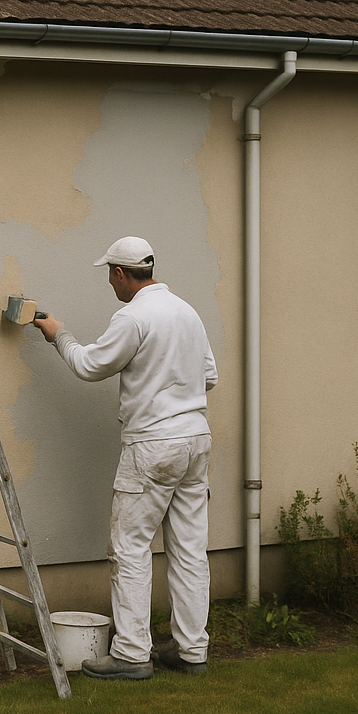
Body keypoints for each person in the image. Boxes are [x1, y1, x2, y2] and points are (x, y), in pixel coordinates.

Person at [32, 236, 218, 680]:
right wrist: (172, 389)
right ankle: (192, 651)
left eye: (109, 274)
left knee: (130, 547)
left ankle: (132, 654)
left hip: (152, 447)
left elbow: (90, 366)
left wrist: (59, 334)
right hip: (195, 439)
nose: (109, 282)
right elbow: (208, 375)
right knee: (190, 551)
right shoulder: (186, 311)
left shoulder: (133, 316)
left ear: (120, 273)